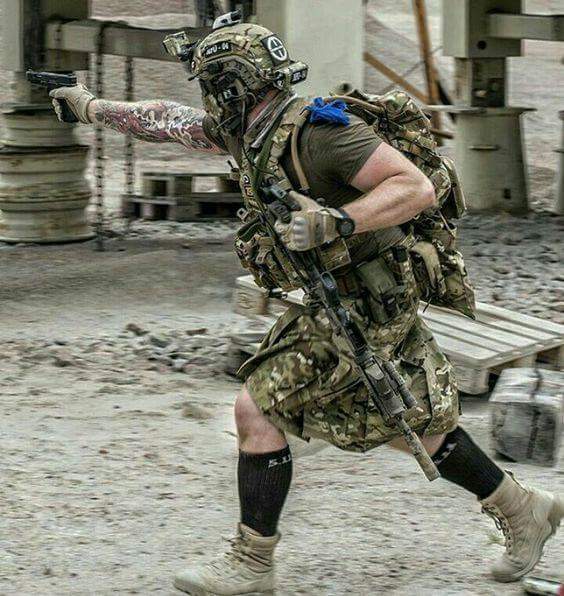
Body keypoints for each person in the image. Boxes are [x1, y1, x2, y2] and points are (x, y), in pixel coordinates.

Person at [50, 13, 563, 596]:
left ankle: (252, 561)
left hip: (367, 300)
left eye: (213, 84)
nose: (208, 98)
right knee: (406, 421)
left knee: (257, 409)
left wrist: (339, 220)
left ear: (235, 84)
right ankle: (522, 507)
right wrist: (90, 107)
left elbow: (413, 187)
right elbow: (167, 121)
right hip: (344, 298)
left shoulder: (322, 133)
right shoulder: (247, 130)